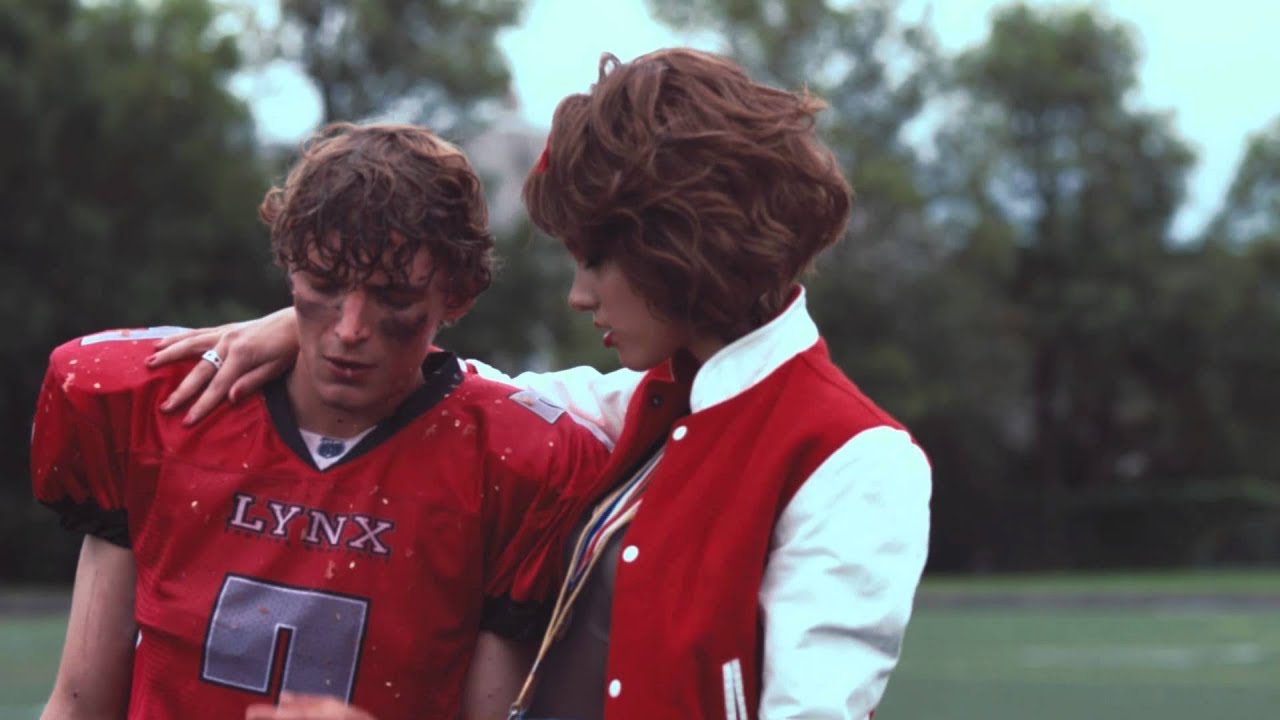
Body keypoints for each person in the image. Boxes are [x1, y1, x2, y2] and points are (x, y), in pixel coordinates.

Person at [151, 48, 932, 720]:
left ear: (680, 246)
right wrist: (312, 321)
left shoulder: (857, 463)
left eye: (594, 259)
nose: (579, 296)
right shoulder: (656, 403)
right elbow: (474, 392)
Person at [30, 123, 610, 720]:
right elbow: (78, 704)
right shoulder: (160, 406)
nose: (350, 329)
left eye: (394, 297)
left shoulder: (516, 461)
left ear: (457, 294)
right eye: (324, 285)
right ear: (288, 267)